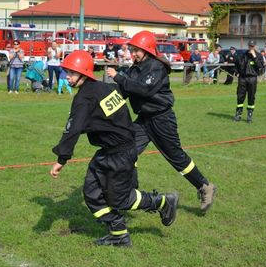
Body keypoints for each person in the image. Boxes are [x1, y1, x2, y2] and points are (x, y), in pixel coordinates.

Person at [50, 50, 178, 247]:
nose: (68, 76)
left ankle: (162, 202)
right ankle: (118, 233)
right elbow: (115, 117)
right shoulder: (105, 88)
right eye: (67, 72)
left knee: (120, 200)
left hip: (120, 153)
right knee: (91, 193)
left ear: (84, 73)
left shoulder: (83, 99)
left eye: (72, 73)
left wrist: (61, 159)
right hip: (112, 151)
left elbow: (72, 130)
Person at [106, 30, 217, 212]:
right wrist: (98, 94)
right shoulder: (134, 69)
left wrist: (118, 77)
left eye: (136, 50)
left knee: (176, 157)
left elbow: (144, 90)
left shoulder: (156, 67)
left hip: (161, 119)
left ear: (147, 50)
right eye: (132, 50)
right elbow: (123, 92)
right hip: (143, 120)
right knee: (128, 150)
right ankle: (133, 195)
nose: (133, 54)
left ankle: (205, 186)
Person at [233, 40, 263, 123]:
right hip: (242, 78)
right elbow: (236, 65)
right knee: (240, 96)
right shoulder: (243, 55)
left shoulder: (259, 55)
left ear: (255, 46)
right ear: (248, 46)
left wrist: (254, 57)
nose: (251, 47)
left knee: (251, 97)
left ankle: (249, 114)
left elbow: (260, 66)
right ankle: (238, 113)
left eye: (252, 46)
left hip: (252, 78)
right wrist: (237, 72)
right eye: (250, 46)